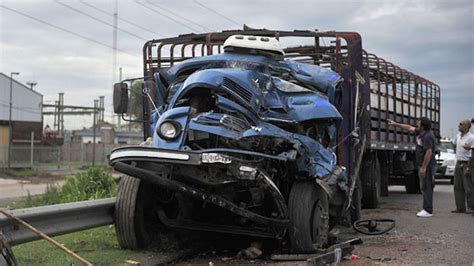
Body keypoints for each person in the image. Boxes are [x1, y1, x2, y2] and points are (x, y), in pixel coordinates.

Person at [387, 117, 436, 217]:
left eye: (418, 123)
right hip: (423, 165)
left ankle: (428, 210)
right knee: (424, 187)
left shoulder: (428, 136)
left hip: (428, 166)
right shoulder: (421, 133)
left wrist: (424, 167)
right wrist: (396, 124)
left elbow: (429, 152)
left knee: (427, 187)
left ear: (423, 126)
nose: (416, 124)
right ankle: (426, 209)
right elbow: (409, 128)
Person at [451, 119, 474, 214]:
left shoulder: (471, 137)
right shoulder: (458, 136)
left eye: (461, 124)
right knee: (457, 186)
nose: (458, 125)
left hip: (467, 163)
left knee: (468, 187)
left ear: (467, 126)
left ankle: (471, 207)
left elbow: (472, 153)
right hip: (458, 162)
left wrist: (469, 166)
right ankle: (460, 207)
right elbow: (454, 144)